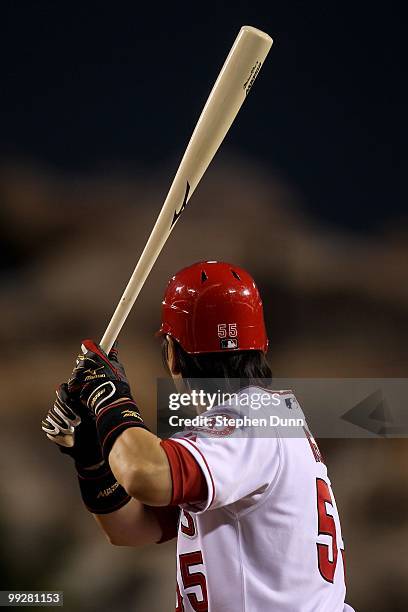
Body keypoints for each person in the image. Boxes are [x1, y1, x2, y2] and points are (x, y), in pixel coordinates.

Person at [42, 260, 354, 611]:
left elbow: (145, 473)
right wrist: (92, 456)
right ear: (259, 346)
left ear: (173, 355)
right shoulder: (262, 421)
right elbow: (131, 529)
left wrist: (109, 398)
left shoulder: (252, 418)